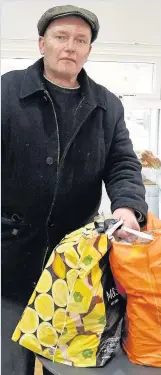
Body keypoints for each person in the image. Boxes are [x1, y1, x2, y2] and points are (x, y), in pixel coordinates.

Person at [1, 4, 148, 375]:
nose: (70, 46)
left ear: (88, 51)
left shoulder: (106, 105)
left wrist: (128, 207)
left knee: (65, 363)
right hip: (9, 256)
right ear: (42, 43)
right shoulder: (6, 91)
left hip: (75, 264)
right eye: (61, 37)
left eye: (80, 40)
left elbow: (123, 164)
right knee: (8, 360)